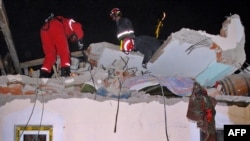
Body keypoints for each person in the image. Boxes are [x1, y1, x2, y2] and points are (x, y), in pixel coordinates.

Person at [39, 13, 84, 78]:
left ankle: (43, 75)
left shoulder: (65, 31)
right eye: (74, 38)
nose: (73, 39)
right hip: (55, 25)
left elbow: (57, 46)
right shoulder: (69, 23)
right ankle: (65, 73)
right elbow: (77, 26)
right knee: (64, 51)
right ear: (74, 34)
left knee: (50, 55)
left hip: (44, 29)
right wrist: (80, 39)